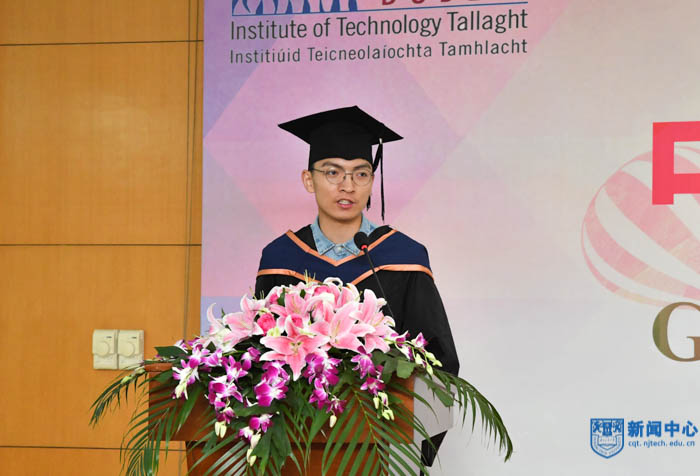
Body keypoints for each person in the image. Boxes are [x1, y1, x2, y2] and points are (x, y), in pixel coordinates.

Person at [254, 106, 459, 467]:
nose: (347, 186)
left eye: (360, 173)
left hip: (379, 448)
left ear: (371, 181)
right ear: (308, 180)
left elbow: (438, 359)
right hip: (296, 452)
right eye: (332, 172)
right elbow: (259, 356)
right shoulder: (280, 257)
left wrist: (414, 440)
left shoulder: (404, 257)